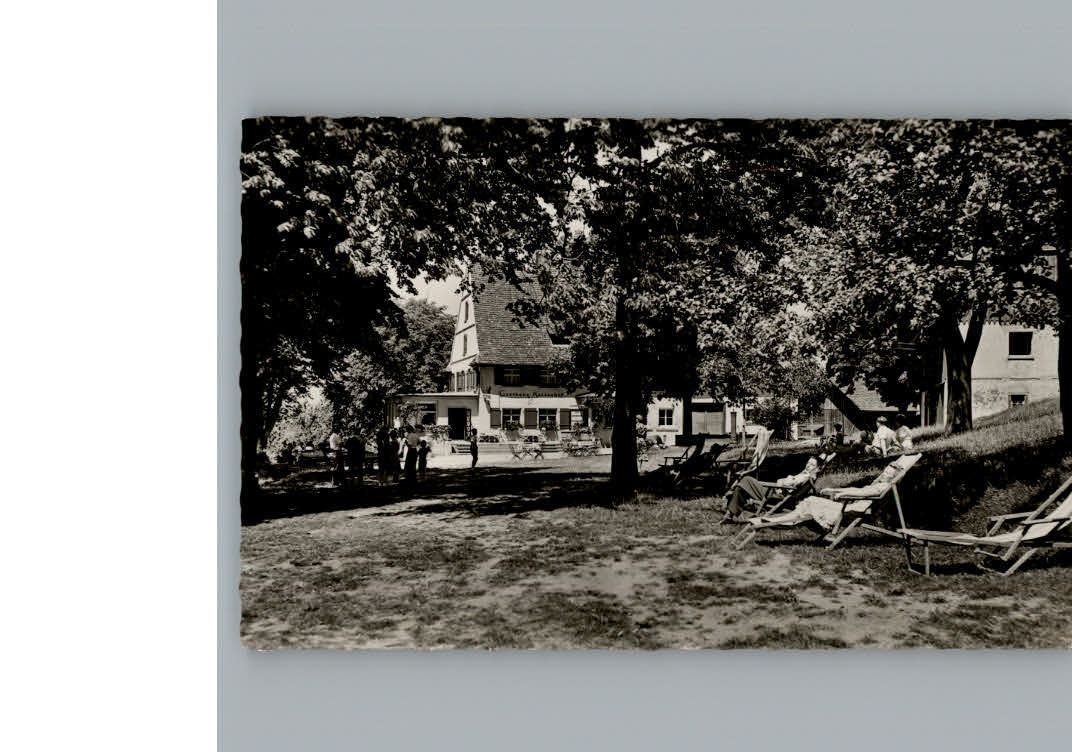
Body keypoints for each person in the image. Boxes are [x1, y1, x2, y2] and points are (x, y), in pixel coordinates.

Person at [722, 455, 823, 521]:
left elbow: (788, 483)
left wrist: (784, 480)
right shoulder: (805, 475)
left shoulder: (806, 477)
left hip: (775, 496)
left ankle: (730, 507)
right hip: (776, 492)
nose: (808, 466)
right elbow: (788, 482)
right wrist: (786, 480)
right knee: (741, 489)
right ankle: (729, 514)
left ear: (818, 469)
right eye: (808, 463)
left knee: (746, 479)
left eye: (812, 464)